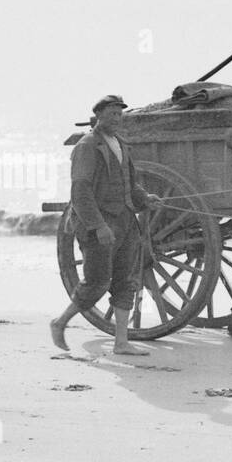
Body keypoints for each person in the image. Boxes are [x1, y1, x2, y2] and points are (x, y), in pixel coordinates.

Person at [50, 95, 159, 355]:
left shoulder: (120, 144)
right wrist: (98, 226)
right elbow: (80, 190)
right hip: (99, 222)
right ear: (98, 116)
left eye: (120, 114)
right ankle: (60, 322)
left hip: (125, 220)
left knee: (126, 282)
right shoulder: (88, 145)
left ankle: (121, 343)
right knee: (97, 282)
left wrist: (144, 198)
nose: (117, 119)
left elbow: (129, 184)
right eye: (112, 114)